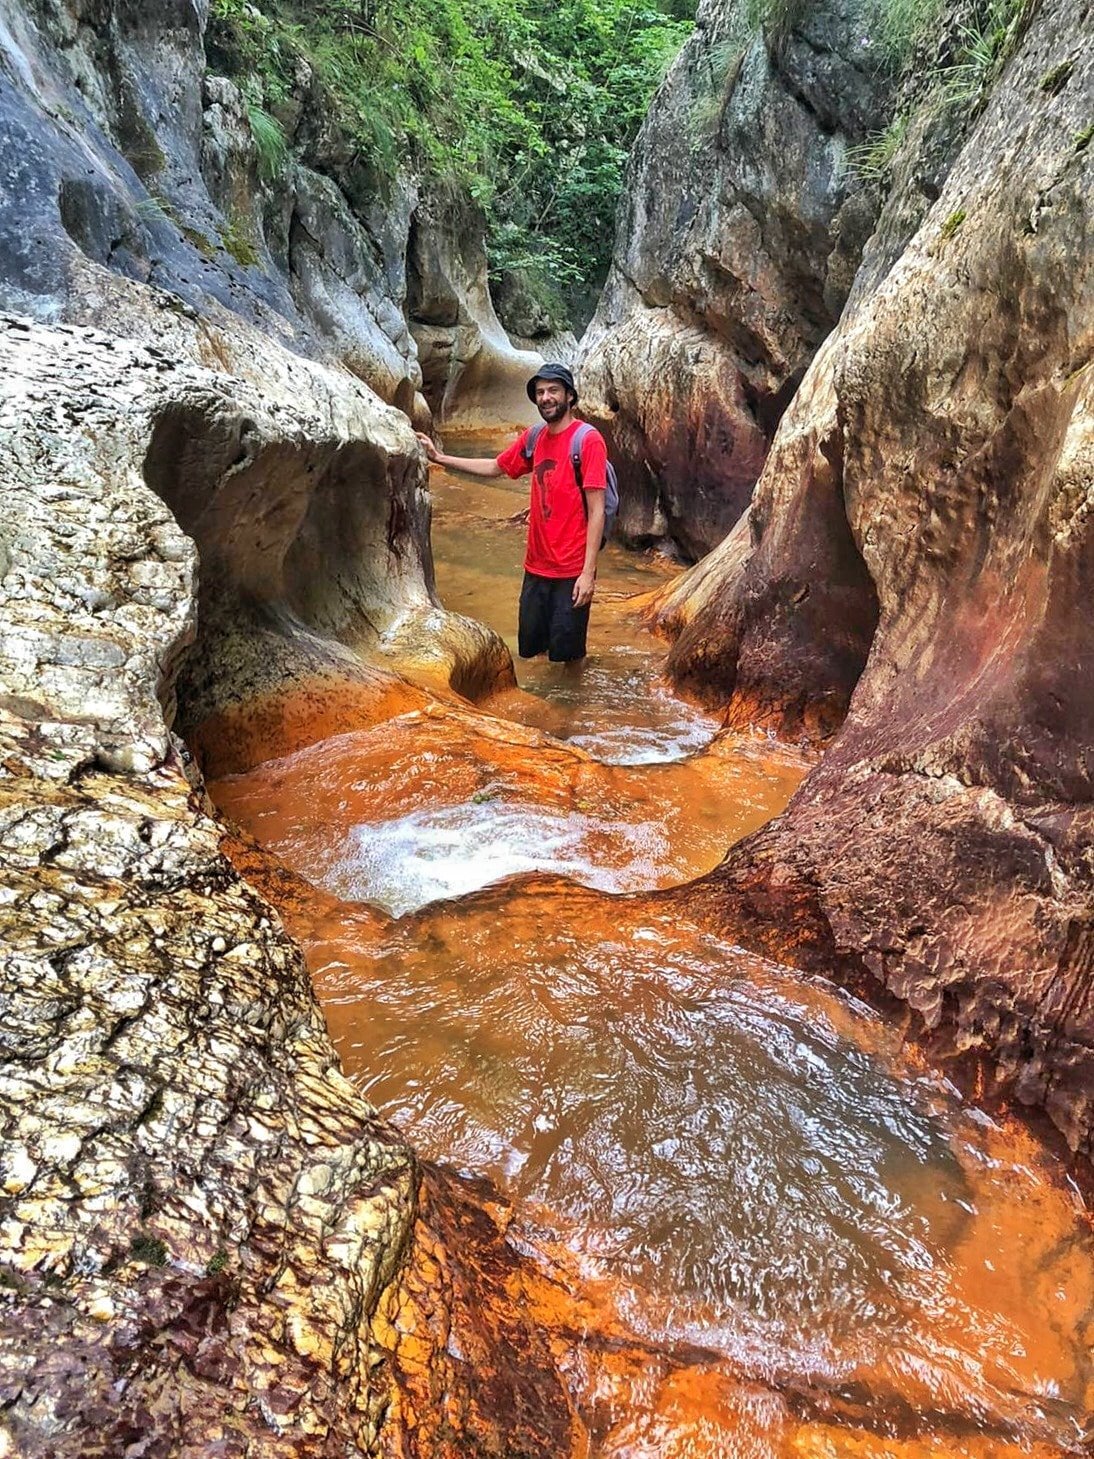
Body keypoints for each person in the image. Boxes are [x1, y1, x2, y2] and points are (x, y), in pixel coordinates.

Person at [416, 364, 607, 663]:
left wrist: (587, 574)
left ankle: (574, 694)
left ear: (569, 396)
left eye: (553, 390)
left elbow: (597, 510)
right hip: (536, 569)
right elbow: (495, 467)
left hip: (571, 571)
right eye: (540, 392)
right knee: (532, 653)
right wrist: (439, 457)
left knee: (570, 659)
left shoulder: (588, 440)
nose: (545, 398)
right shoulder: (535, 437)